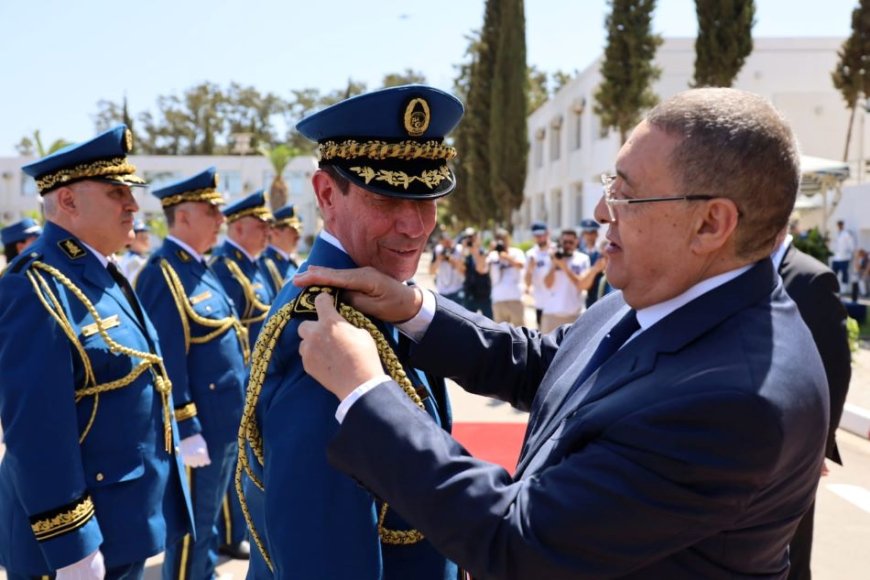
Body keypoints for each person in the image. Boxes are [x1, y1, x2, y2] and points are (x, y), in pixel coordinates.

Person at [294, 88, 829, 578]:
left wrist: (366, 393)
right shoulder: (660, 293)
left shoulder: (738, 401)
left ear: (711, 225)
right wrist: (413, 308)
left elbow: (519, 542)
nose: (600, 211)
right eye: (608, 184)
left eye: (627, 194)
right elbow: (545, 364)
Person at [238, 84, 461, 579]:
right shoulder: (320, 331)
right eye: (386, 197)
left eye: (427, 198)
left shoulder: (386, 299)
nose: (415, 225)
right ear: (325, 194)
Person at [0, 125, 192, 579]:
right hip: (79, 538)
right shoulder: (35, 286)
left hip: (124, 520)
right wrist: (73, 547)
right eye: (114, 192)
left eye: (130, 192)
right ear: (66, 201)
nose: (132, 205)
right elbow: (36, 433)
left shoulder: (101, 271)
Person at [134, 167, 251, 576]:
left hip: (224, 421)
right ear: (182, 216)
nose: (221, 218)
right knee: (193, 525)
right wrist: (185, 428)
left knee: (210, 516)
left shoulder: (201, 268)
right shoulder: (163, 273)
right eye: (211, 210)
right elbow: (165, 362)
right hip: (199, 428)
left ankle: (203, 570)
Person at [772, 228, 852, 580]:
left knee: (792, 548)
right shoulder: (747, 271)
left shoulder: (811, 277)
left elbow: (836, 367)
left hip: (794, 447)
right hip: (753, 438)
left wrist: (819, 444)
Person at [210, 189, 275, 351]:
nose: (268, 233)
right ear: (239, 229)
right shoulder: (224, 267)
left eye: (268, 227)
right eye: (261, 226)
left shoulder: (252, 262)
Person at [539, 228, 597, 333]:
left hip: (574, 315)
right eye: (565, 242)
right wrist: (554, 265)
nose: (567, 245)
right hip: (551, 314)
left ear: (576, 242)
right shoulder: (551, 257)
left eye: (571, 242)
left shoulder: (582, 259)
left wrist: (564, 267)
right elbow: (547, 284)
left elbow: (583, 285)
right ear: (560, 242)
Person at [260, 203, 303, 295]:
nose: (298, 235)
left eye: (299, 230)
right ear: (275, 232)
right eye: (293, 230)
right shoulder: (265, 264)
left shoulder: (290, 262)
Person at [487, 228, 526, 325]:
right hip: (498, 299)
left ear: (508, 240)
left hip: (515, 298)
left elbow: (521, 265)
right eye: (498, 239)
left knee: (519, 332)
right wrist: (490, 251)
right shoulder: (492, 255)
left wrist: (506, 257)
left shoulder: (516, 252)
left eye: (503, 239)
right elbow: (483, 269)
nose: (501, 242)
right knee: (500, 334)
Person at [524, 221, 553, 328]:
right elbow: (527, 283)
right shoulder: (530, 254)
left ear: (547, 234)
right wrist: (530, 269)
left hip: (558, 304)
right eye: (536, 235)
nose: (539, 238)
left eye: (542, 235)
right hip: (540, 303)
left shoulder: (556, 250)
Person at [461, 227, 492, 318]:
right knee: (468, 324)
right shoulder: (466, 255)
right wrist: (463, 249)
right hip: (470, 294)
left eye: (472, 236)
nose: (470, 239)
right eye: (468, 237)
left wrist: (476, 250)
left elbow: (481, 269)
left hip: (484, 294)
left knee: (489, 324)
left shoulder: (484, 252)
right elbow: (461, 270)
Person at [579, 219, 608, 308]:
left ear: (596, 234)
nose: (589, 236)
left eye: (592, 232)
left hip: (598, 295)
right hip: (581, 298)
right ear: (583, 234)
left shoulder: (603, 252)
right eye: (587, 233)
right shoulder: (578, 254)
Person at [429, 232, 465, 303]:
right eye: (444, 244)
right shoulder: (438, 250)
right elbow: (431, 271)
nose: (447, 246)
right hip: (442, 291)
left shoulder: (459, 250)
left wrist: (452, 261)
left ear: (451, 240)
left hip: (457, 290)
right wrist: (439, 259)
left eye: (448, 242)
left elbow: (463, 271)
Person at [830, 219, 854, 290]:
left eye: (840, 225)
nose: (839, 226)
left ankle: (844, 289)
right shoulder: (837, 234)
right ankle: (833, 287)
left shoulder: (846, 234)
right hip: (836, 257)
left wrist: (850, 254)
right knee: (833, 273)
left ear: (843, 225)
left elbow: (851, 245)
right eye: (838, 225)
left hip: (844, 257)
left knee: (844, 273)